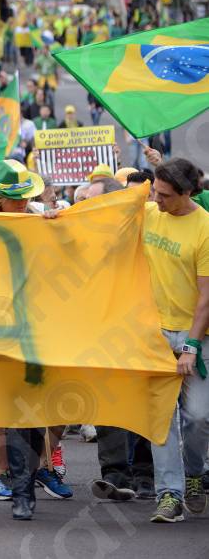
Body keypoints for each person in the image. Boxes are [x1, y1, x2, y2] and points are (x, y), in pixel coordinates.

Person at [0, 159, 67, 520]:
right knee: (14, 410)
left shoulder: (40, 220)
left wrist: (59, 225)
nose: (22, 203)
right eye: (14, 198)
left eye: (25, 197)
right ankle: (22, 492)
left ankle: (26, 481)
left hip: (41, 328)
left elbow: (70, 248)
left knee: (38, 409)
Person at [140, 158, 209, 523]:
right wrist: (55, 217)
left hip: (196, 336)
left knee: (197, 417)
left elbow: (206, 297)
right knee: (160, 418)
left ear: (187, 193)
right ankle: (169, 494)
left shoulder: (205, 228)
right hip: (153, 334)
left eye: (164, 195)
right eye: (154, 191)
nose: (156, 199)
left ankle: (195, 473)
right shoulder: (151, 213)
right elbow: (100, 220)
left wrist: (191, 347)